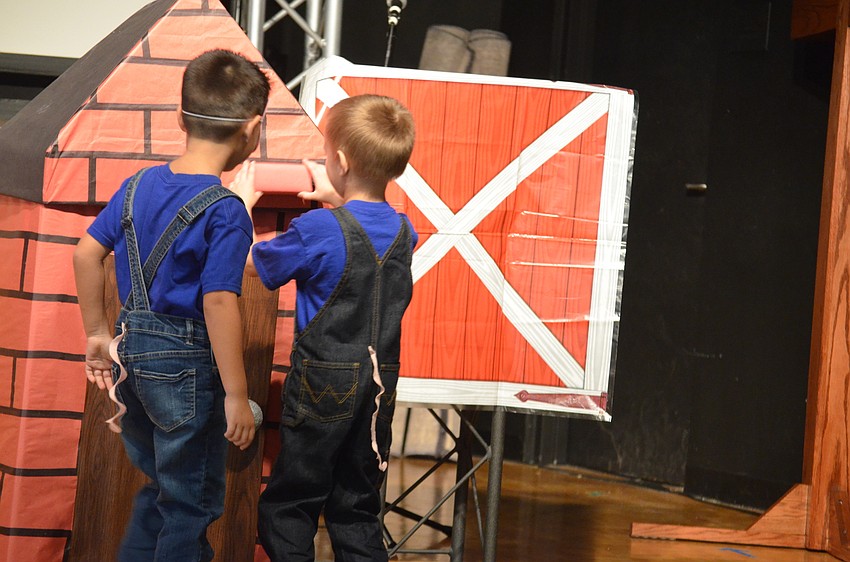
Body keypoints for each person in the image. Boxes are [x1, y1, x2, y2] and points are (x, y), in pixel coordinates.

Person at [72, 49, 268, 562]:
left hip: (130, 361)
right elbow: (220, 301)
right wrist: (236, 393)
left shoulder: (135, 187)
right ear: (253, 130)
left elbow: (86, 253)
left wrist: (96, 334)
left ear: (180, 117)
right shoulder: (227, 212)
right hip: (186, 374)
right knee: (189, 508)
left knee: (164, 491)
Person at [230, 94, 418, 562]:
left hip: (323, 383)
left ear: (338, 160)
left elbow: (254, 264)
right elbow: (363, 227)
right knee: (357, 502)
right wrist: (342, 196)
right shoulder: (404, 230)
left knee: (293, 499)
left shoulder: (317, 229)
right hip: (380, 387)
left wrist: (237, 208)